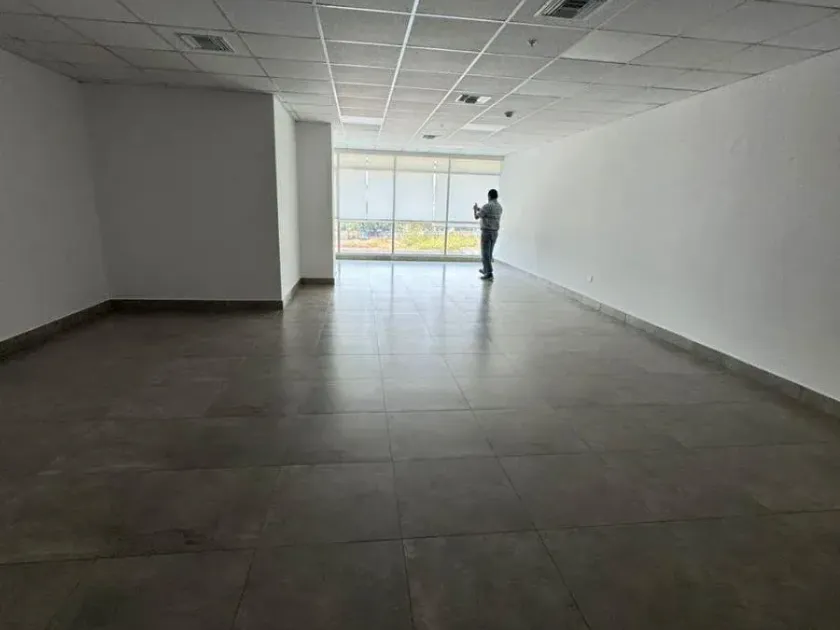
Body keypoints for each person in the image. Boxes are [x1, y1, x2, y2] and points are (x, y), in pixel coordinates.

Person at [473, 189, 503, 281]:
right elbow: (487, 213)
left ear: (489, 196)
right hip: (495, 233)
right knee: (489, 253)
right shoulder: (499, 207)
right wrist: (479, 209)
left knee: (485, 253)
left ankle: (489, 273)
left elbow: (477, 216)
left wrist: (475, 210)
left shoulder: (487, 206)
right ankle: (485, 269)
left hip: (486, 232)